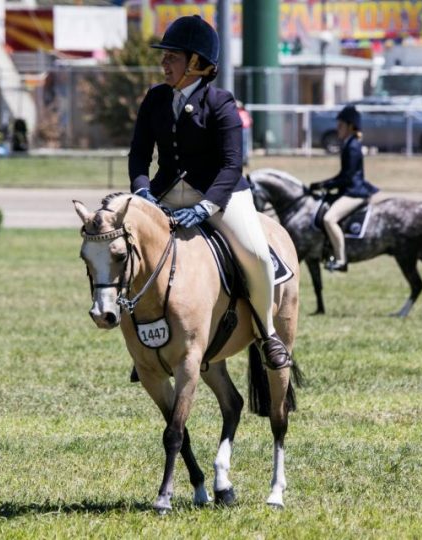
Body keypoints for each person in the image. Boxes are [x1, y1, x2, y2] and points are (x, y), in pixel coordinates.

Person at [128, 15, 290, 370]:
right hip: (165, 192)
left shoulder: (220, 102)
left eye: (172, 57)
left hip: (221, 193)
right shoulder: (155, 99)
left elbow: (232, 164)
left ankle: (266, 333)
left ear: (196, 63)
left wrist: (205, 207)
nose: (163, 63)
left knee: (257, 255)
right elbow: (139, 154)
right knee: (130, 245)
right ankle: (145, 338)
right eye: (165, 56)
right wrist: (142, 192)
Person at [309, 105, 379, 273]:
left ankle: (341, 260)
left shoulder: (353, 146)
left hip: (355, 192)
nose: (337, 128)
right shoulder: (349, 143)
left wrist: (324, 185)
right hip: (349, 189)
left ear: (350, 126)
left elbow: (347, 177)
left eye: (340, 125)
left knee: (329, 219)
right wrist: (325, 184)